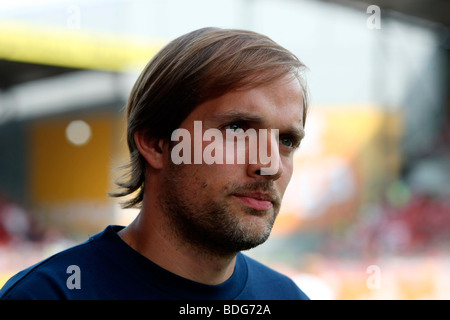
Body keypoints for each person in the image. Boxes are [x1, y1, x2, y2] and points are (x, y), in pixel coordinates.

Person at [0, 27, 309, 300]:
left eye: (286, 141)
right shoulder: (47, 294)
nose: (271, 166)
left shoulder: (288, 297)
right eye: (238, 129)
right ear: (155, 143)